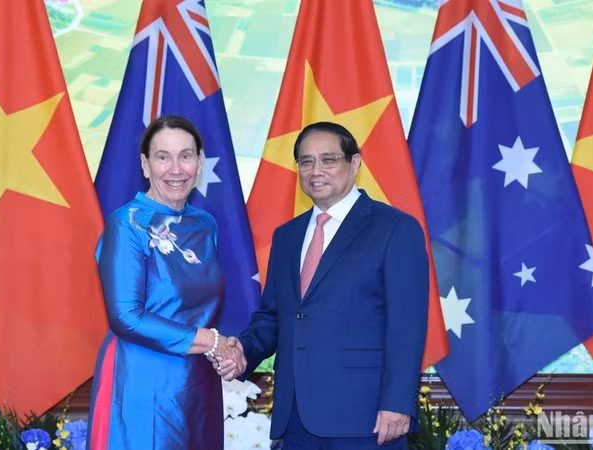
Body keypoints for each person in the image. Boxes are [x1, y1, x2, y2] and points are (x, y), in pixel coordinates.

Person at [218, 121, 429, 448]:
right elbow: (274, 316)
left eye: (328, 159)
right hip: (295, 417)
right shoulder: (287, 236)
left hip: (366, 418)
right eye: (306, 161)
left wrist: (398, 403)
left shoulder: (396, 229)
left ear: (355, 163)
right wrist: (243, 350)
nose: (316, 170)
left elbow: (407, 325)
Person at [86, 115, 245, 449]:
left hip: (198, 379)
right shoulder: (126, 224)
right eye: (163, 157)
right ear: (145, 165)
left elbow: (203, 310)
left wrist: (224, 349)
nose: (176, 169)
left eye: (186, 156)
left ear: (199, 164)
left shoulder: (205, 224)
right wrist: (211, 342)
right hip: (141, 379)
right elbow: (126, 317)